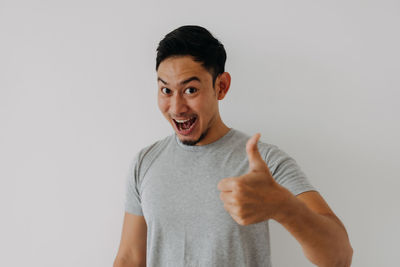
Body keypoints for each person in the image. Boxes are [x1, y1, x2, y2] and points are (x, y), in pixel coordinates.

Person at [113, 25, 353, 267]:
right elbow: (129, 258)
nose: (176, 107)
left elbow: (339, 257)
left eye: (190, 90)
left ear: (221, 86)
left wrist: (283, 206)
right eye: (166, 90)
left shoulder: (265, 162)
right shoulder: (145, 163)